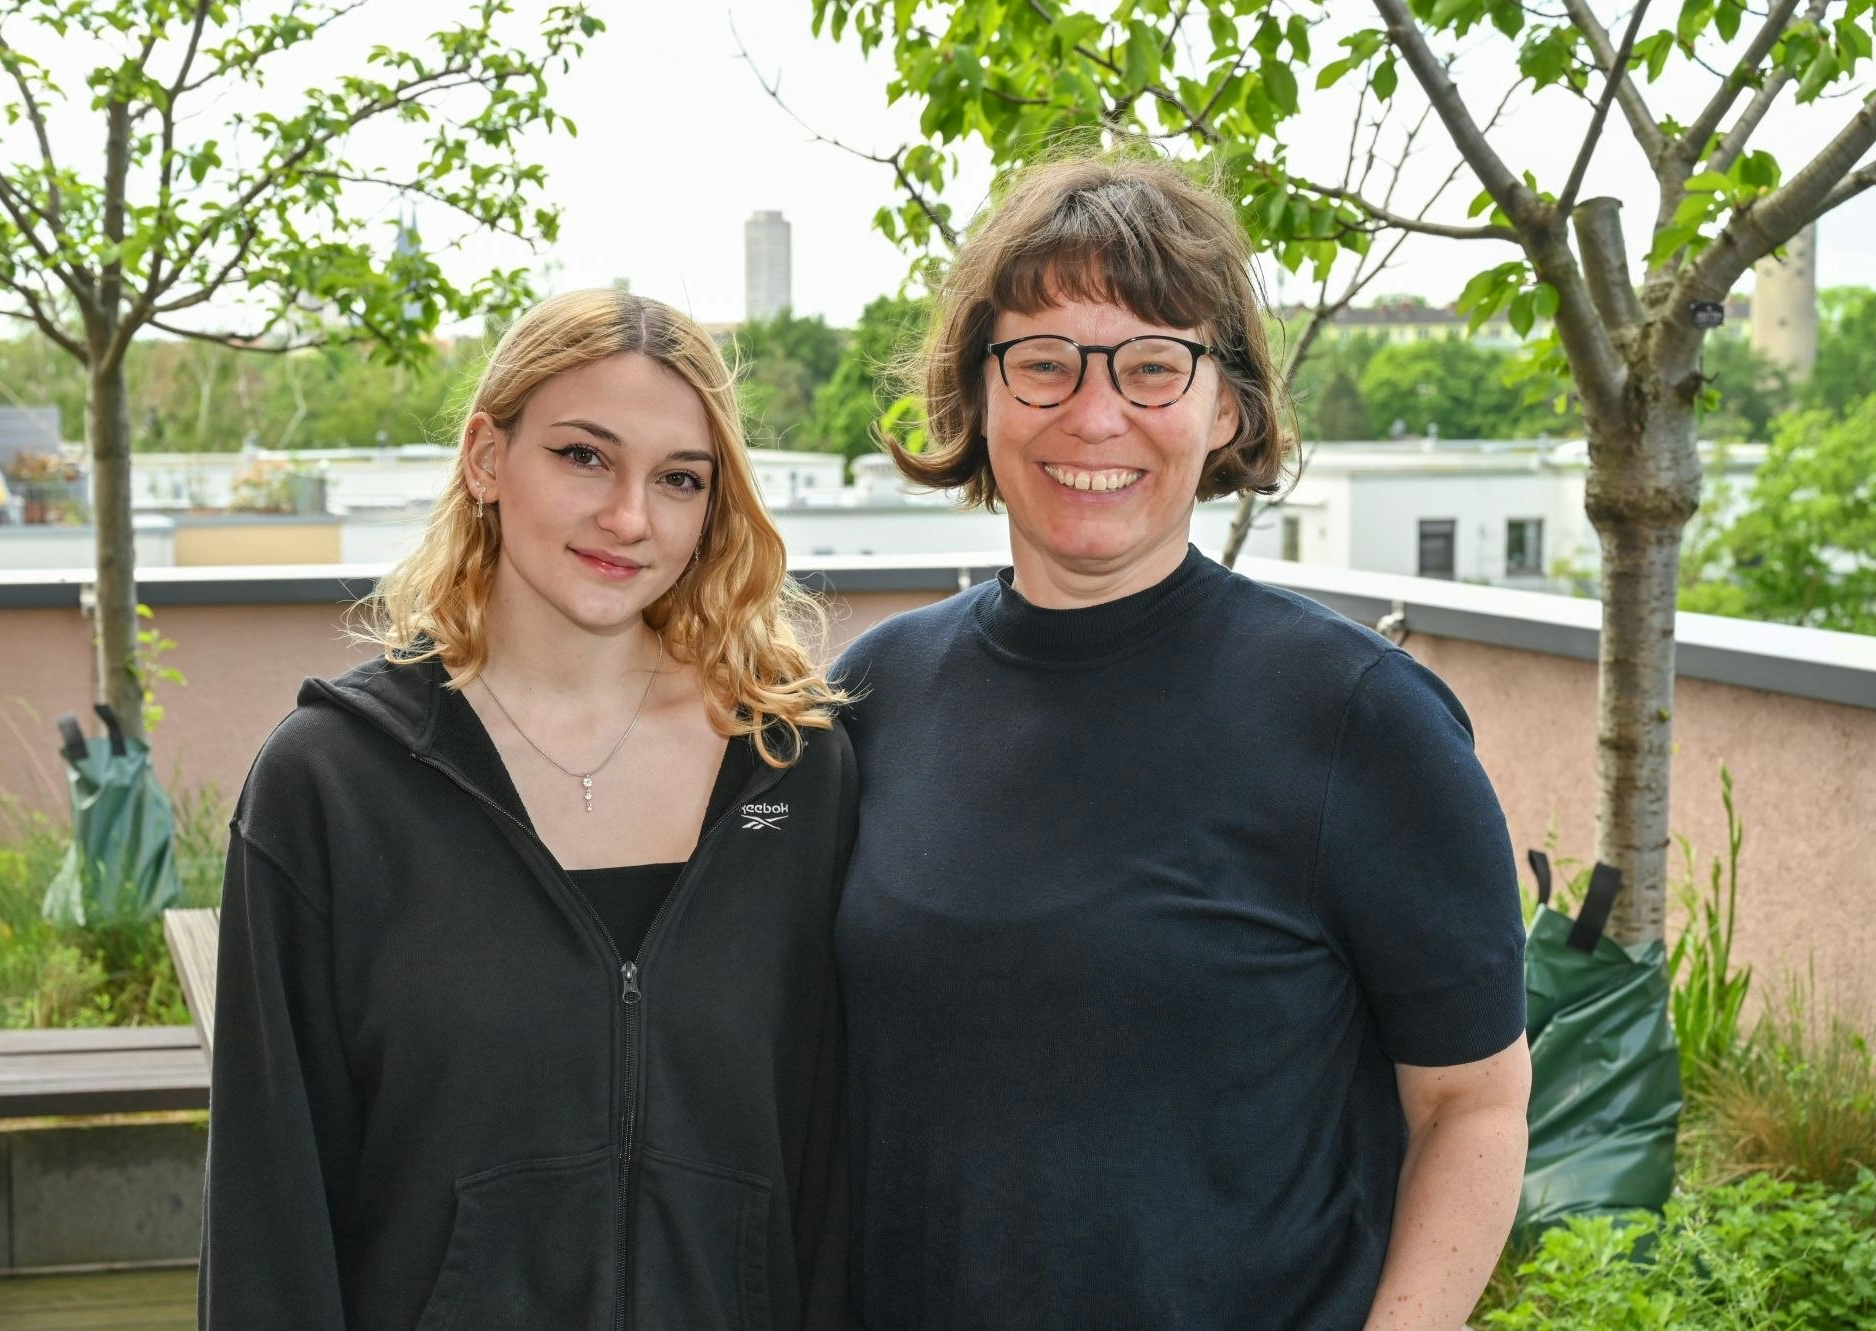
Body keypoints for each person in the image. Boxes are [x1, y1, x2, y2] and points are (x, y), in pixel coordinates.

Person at [832, 156, 1531, 1330]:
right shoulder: (877, 693)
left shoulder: (1358, 716)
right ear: (978, 392)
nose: (1092, 413)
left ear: (1227, 408)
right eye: (1042, 360)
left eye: (1153, 364)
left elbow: (1469, 1101)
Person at [200, 289, 856, 1331]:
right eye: (583, 456)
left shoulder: (790, 766)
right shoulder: (332, 785)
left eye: (677, 479)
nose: (629, 516)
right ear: (484, 458)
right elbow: (268, 1205)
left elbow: (830, 1170)